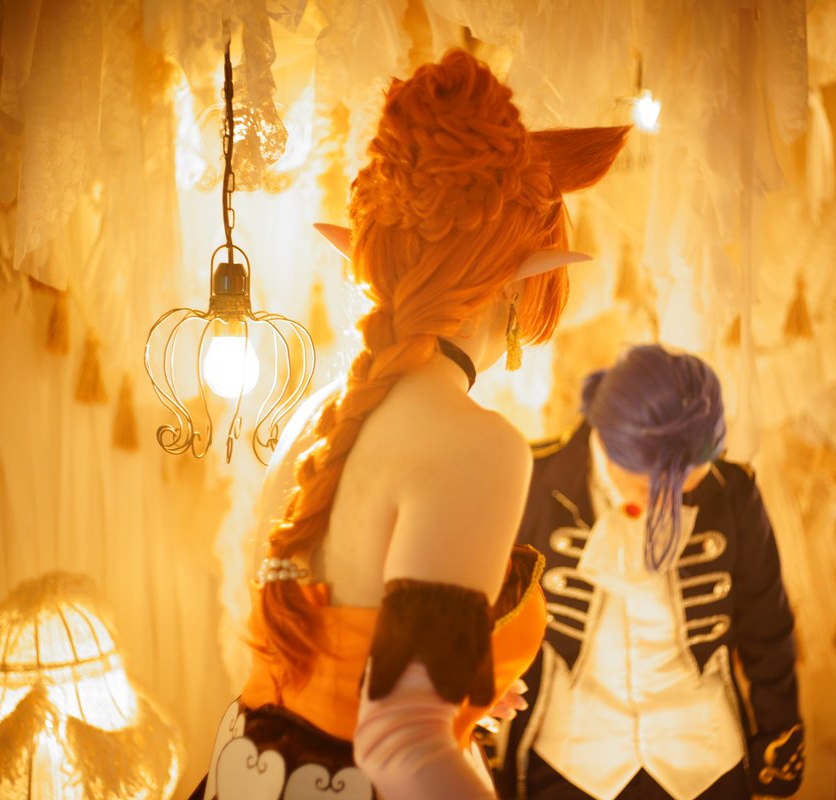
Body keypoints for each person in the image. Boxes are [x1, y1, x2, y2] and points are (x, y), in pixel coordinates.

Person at [194, 50, 628, 800]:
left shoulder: (316, 417)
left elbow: (332, 651)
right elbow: (399, 743)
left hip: (240, 770)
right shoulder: (478, 444)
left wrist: (454, 688)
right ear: (517, 288)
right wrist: (433, 719)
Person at [494, 345, 803, 800]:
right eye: (648, 487)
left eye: (686, 487)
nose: (667, 503)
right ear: (607, 444)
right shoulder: (531, 479)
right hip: (569, 762)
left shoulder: (734, 492)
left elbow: (767, 625)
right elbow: (486, 606)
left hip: (705, 761)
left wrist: (778, 735)